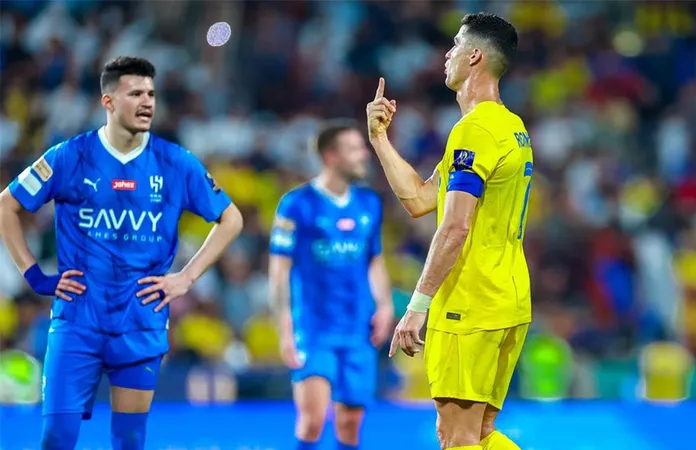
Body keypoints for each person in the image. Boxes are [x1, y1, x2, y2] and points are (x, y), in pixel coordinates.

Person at [0, 56, 243, 450]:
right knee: (56, 438)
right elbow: (6, 205)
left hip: (141, 322)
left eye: (151, 93)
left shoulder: (175, 162)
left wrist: (186, 277)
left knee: (129, 440)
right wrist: (33, 275)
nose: (147, 101)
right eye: (135, 93)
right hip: (77, 320)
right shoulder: (70, 156)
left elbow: (231, 219)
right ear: (108, 101)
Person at [366, 13, 531, 450]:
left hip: (469, 306)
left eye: (456, 45)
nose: (447, 54)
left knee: (456, 439)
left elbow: (455, 227)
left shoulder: (472, 131)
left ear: (475, 55)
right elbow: (421, 200)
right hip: (508, 299)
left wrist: (417, 306)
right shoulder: (509, 127)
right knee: (479, 434)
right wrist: (380, 139)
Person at [268, 119, 394, 450]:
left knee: (350, 424)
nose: (363, 155)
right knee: (312, 421)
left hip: (358, 328)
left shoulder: (369, 204)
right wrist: (285, 328)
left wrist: (384, 305)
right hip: (314, 328)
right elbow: (279, 271)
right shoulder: (296, 204)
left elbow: (374, 261)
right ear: (331, 157)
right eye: (354, 149)